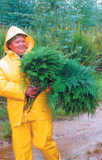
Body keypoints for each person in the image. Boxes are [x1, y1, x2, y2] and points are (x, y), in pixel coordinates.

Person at [0, 26, 61, 160]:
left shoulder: (38, 59)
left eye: (23, 40)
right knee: (22, 148)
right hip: (18, 111)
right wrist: (24, 91)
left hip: (40, 108)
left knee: (44, 142)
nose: (22, 44)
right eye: (17, 42)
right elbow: (2, 85)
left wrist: (50, 86)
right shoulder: (3, 64)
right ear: (9, 45)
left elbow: (49, 79)